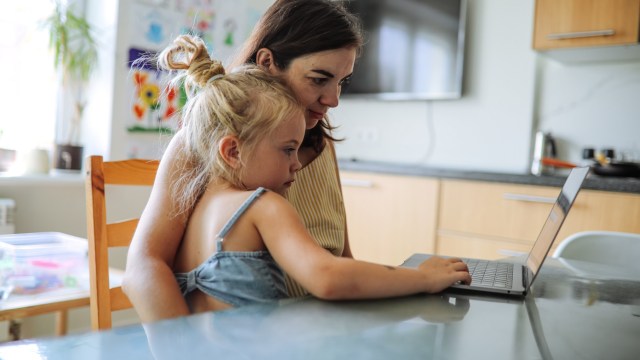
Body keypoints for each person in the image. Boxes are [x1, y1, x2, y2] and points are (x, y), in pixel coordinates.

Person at [123, 0, 466, 323]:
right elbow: (144, 266)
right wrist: (182, 347)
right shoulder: (202, 143)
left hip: (322, 325)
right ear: (268, 62)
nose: (333, 99)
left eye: (342, 82)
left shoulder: (320, 142)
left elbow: (342, 260)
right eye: (319, 79)